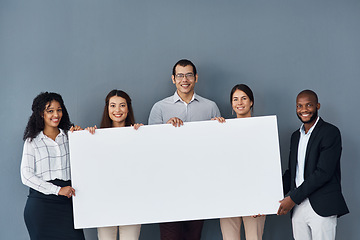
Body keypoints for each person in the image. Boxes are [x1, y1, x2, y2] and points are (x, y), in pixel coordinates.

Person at [148, 59, 221, 240]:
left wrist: (218, 128)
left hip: (199, 184)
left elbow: (219, 147)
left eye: (189, 75)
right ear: (173, 79)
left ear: (196, 78)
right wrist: (165, 129)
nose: (184, 79)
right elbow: (150, 147)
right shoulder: (159, 107)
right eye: (180, 75)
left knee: (194, 236)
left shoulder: (210, 107)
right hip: (168, 185)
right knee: (169, 236)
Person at [277, 90, 349, 240]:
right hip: (297, 208)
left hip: (321, 205)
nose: (304, 110)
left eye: (309, 105)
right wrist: (270, 197)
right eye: (299, 106)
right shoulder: (295, 136)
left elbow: (323, 172)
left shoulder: (330, 132)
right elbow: (292, 172)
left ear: (317, 106)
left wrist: (293, 198)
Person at [21, 92, 85, 240]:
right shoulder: (32, 142)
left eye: (59, 109)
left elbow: (86, 165)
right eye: (50, 111)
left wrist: (84, 139)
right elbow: (26, 176)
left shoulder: (72, 137)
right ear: (40, 114)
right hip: (41, 207)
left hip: (68, 204)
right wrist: (57, 190)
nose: (56, 114)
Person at [85, 89, 142, 240]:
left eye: (122, 105)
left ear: (128, 108)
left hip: (131, 202)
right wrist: (86, 137)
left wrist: (142, 136)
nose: (117, 110)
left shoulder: (139, 134)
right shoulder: (95, 137)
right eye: (113, 106)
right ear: (107, 109)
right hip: (105, 203)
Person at [219, 84, 266, 240]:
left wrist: (262, 199)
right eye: (235, 99)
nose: (240, 103)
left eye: (244, 98)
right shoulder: (223, 129)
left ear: (251, 102)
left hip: (255, 197)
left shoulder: (262, 129)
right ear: (232, 104)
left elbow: (266, 167)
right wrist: (213, 130)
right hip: (228, 196)